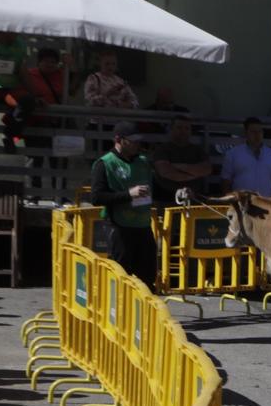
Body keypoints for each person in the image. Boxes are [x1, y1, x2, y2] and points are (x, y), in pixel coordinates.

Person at [89, 122, 157, 285]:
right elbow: (97, 198)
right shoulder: (104, 163)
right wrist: (128, 194)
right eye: (132, 140)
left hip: (143, 225)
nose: (137, 144)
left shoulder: (143, 161)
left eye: (138, 140)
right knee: (121, 275)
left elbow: (157, 187)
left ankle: (144, 309)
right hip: (119, 226)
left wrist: (179, 191)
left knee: (148, 276)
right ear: (118, 140)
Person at [149, 113, 214, 200]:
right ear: (171, 129)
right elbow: (166, 172)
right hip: (166, 199)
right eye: (179, 127)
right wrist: (195, 173)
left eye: (187, 128)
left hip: (194, 198)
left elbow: (206, 169)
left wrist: (179, 166)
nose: (183, 131)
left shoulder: (198, 150)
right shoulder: (162, 149)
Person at [219, 117, 271, 196]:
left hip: (266, 204)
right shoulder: (233, 154)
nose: (257, 135)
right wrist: (230, 200)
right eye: (253, 132)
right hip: (242, 205)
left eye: (260, 131)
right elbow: (225, 180)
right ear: (245, 133)